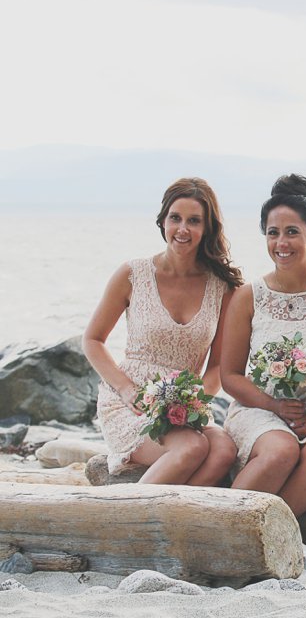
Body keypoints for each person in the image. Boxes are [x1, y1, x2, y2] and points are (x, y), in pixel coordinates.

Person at [83, 177, 240, 484]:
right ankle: (132, 511)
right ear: (163, 221)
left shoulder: (222, 288)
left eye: (194, 221)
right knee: (192, 447)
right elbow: (92, 339)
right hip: (131, 401)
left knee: (224, 450)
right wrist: (126, 389)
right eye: (175, 218)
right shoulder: (132, 274)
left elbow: (218, 366)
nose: (182, 229)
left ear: (207, 228)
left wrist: (195, 401)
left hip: (185, 403)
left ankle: (174, 513)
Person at [221, 174, 306, 517]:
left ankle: (277, 532)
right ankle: (225, 526)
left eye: (292, 232)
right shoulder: (248, 296)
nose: (281, 242)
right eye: (273, 233)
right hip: (259, 409)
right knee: (281, 450)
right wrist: (274, 406)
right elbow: (229, 376)